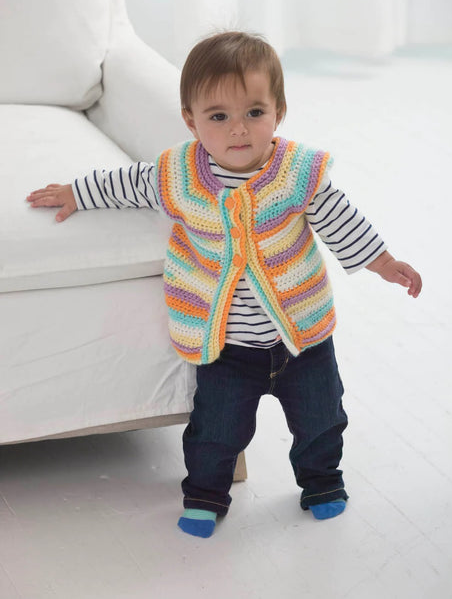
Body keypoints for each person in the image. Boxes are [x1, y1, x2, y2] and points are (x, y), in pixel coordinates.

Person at [26, 31, 422, 539]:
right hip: (226, 349)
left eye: (254, 112)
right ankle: (205, 494)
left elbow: (340, 218)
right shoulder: (178, 175)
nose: (238, 129)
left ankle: (322, 481)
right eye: (218, 116)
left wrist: (383, 262)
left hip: (302, 340)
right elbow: (126, 184)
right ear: (191, 121)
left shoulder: (298, 174)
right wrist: (77, 192)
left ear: (279, 111)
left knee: (323, 419)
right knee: (214, 430)